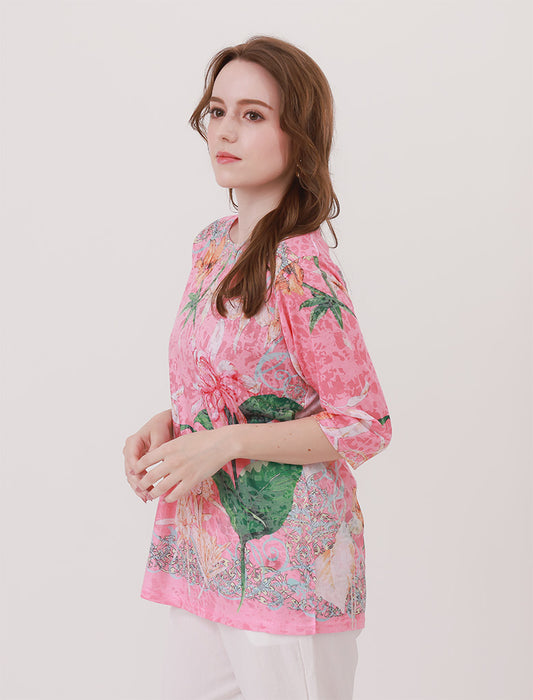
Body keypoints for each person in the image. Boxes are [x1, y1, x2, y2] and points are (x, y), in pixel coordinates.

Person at [123, 34, 392, 700]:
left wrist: (225, 443)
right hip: (206, 558)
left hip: (290, 572)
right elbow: (245, 381)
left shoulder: (302, 268)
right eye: (217, 111)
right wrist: (172, 422)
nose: (224, 130)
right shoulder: (213, 247)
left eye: (252, 115)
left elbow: (365, 423)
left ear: (298, 137)